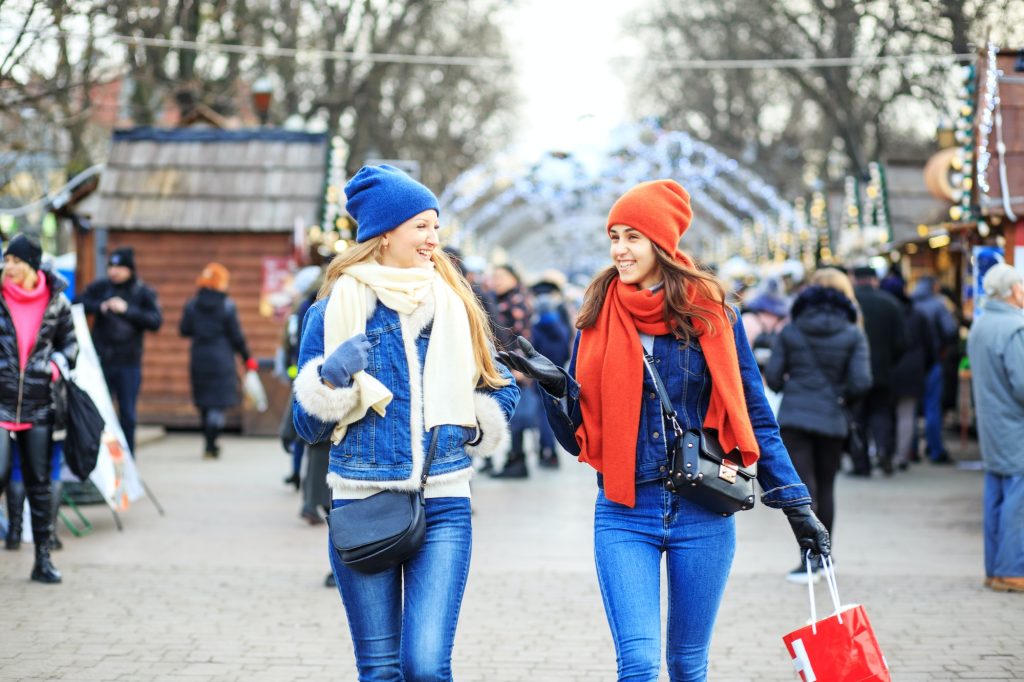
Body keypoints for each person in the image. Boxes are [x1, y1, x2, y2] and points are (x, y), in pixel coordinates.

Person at [501, 180, 829, 681]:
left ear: (662, 241)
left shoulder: (713, 315)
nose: (619, 249)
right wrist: (555, 388)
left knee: (687, 665)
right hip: (624, 511)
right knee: (638, 665)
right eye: (614, 236)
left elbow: (755, 416)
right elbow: (578, 441)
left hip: (704, 510)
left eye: (633, 236)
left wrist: (796, 505)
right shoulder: (596, 317)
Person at [292, 164, 520, 679]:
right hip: (362, 500)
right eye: (421, 226)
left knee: (426, 664)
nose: (433, 239)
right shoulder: (331, 312)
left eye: (435, 227)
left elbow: (499, 385)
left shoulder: (455, 303)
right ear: (383, 233)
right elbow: (306, 430)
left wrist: (473, 425)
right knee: (379, 668)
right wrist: (328, 380)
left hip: (443, 500)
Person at [766, 268, 872, 582]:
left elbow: (772, 378)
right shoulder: (854, 333)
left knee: (802, 489)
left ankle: (807, 558)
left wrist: (796, 384)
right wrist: (840, 397)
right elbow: (862, 381)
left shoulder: (791, 330)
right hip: (832, 421)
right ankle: (825, 555)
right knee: (826, 488)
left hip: (794, 418)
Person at [0, 234, 77, 583]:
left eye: (16, 261)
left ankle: (43, 559)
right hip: (0, 403)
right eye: (7, 261)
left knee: (39, 483)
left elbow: (70, 344)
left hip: (39, 404)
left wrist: (57, 365)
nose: (9, 267)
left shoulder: (56, 302)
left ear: (32, 264)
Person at [965, 264, 1024, 593]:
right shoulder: (1015, 328)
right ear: (1014, 290)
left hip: (991, 423)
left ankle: (995, 569)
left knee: (997, 497)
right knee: (1018, 501)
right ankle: (1013, 569)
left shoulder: (982, 325)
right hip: (1016, 425)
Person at [78, 247, 162, 456]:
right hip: (101, 361)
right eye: (111, 266)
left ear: (130, 269)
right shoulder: (101, 288)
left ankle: (128, 459)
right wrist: (101, 306)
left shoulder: (142, 292)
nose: (114, 271)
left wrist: (127, 310)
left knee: (127, 415)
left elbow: (154, 321)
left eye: (119, 267)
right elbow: (77, 302)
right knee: (98, 412)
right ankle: (99, 459)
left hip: (128, 363)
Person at [179, 263, 256, 459]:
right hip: (222, 359)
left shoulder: (192, 304)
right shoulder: (227, 305)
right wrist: (247, 358)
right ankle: (212, 444)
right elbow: (236, 336)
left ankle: (208, 443)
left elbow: (184, 329)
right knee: (217, 404)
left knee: (204, 402)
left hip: (199, 358)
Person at [850, 265, 908, 475]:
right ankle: (884, 451)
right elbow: (903, 342)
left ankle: (861, 463)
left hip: (854, 373)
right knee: (882, 413)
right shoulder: (890, 304)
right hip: (884, 371)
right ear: (875, 280)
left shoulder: (851, 304)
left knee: (858, 418)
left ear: (855, 279)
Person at [489, 263, 536, 479]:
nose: (496, 280)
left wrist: (519, 367)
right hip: (511, 363)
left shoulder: (514, 302)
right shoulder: (505, 300)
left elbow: (520, 336)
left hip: (515, 365)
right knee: (514, 414)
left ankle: (517, 461)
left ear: (514, 278)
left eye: (501, 276)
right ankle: (514, 460)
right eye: (495, 276)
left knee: (516, 414)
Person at [880, 276, 930, 469]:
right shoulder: (917, 314)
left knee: (885, 413)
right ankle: (901, 456)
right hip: (911, 371)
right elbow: (930, 345)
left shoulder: (882, 312)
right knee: (906, 414)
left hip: (887, 370)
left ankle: (885, 450)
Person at [911, 276, 959, 464]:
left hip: (913, 363)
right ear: (934, 286)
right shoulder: (938, 304)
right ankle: (935, 449)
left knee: (912, 409)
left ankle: (911, 449)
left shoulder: (911, 303)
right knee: (933, 407)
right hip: (934, 360)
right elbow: (950, 330)